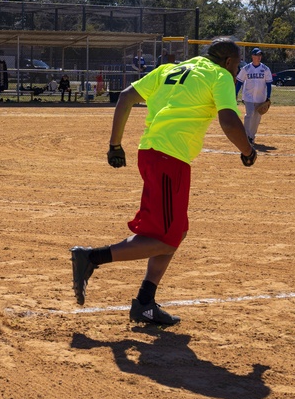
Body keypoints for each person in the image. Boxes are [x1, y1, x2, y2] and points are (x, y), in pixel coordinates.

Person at [70, 36, 257, 326]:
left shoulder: (170, 69)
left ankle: (145, 302)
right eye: (237, 65)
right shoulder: (219, 75)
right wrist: (247, 151)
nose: (237, 70)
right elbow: (229, 120)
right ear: (229, 62)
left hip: (154, 153)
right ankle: (92, 258)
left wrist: (115, 145)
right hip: (170, 159)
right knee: (166, 237)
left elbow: (125, 97)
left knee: (176, 231)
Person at [235, 48, 273, 144]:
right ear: (252, 56)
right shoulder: (246, 69)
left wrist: (268, 97)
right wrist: (235, 93)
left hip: (261, 98)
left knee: (257, 117)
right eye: (257, 55)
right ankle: (246, 135)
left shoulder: (265, 69)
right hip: (248, 97)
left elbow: (268, 84)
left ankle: (252, 136)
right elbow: (239, 82)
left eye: (260, 55)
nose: (259, 57)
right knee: (249, 114)